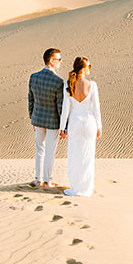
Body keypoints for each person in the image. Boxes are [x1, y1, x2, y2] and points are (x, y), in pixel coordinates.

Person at [58, 56, 102, 197]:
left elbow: (65, 109)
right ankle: (86, 188)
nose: (90, 69)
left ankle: (75, 188)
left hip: (75, 123)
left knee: (74, 156)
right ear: (83, 69)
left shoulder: (68, 84)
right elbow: (96, 109)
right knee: (87, 156)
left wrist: (62, 127)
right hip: (89, 123)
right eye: (89, 66)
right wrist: (99, 126)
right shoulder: (92, 85)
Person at [28, 47, 64, 188]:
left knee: (39, 150)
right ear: (51, 61)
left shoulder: (33, 77)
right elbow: (60, 106)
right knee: (50, 151)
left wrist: (32, 118)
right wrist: (63, 126)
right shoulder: (58, 81)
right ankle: (48, 180)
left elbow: (31, 100)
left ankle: (38, 179)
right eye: (59, 59)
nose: (61, 62)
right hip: (52, 122)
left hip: (37, 119)